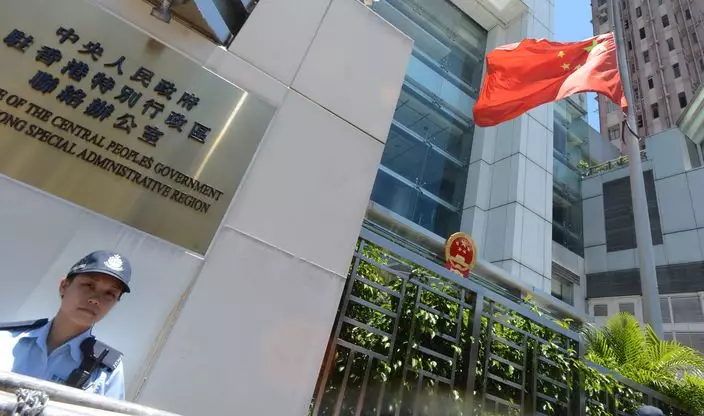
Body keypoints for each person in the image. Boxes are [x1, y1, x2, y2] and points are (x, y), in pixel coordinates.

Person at [0, 250, 132, 400]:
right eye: (89, 285)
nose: (95, 299)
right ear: (64, 286)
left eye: (109, 294)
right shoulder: (5, 340)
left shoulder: (105, 372)